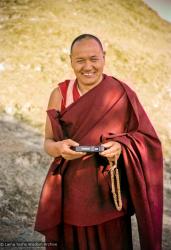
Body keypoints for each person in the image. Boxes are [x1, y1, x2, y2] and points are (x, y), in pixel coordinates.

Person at [35, 34, 163, 250]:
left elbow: (148, 140)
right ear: (71, 61)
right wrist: (58, 148)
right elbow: (48, 142)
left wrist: (122, 147)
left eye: (94, 59)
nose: (88, 67)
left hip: (109, 196)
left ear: (104, 58)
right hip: (70, 193)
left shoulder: (120, 93)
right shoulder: (61, 94)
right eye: (80, 60)